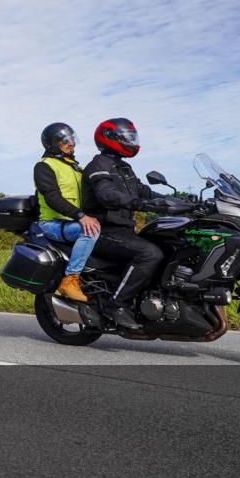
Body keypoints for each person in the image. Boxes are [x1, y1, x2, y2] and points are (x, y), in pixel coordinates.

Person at [82, 118, 168, 330]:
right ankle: (116, 305)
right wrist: (141, 204)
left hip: (124, 231)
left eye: (132, 137)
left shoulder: (124, 168)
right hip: (104, 230)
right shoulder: (98, 165)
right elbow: (106, 194)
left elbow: (144, 191)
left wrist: (181, 201)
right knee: (149, 254)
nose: (132, 141)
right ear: (109, 138)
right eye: (127, 138)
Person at [33, 123, 101, 303]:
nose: (71, 143)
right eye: (65, 140)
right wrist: (81, 216)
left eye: (72, 139)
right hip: (51, 223)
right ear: (53, 144)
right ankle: (70, 279)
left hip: (70, 222)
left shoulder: (75, 167)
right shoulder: (44, 166)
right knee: (90, 230)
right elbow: (52, 198)